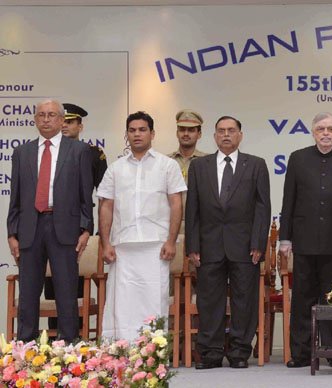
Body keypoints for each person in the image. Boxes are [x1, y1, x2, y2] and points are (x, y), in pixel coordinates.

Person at [279, 112, 332, 368]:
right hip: (304, 242)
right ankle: (301, 353)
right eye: (320, 129)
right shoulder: (298, 159)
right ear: (313, 132)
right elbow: (288, 200)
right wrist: (285, 238)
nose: (326, 133)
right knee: (303, 298)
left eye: (330, 129)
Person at [185, 116, 270, 369]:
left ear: (240, 135)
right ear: (214, 136)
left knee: (244, 300)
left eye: (231, 131)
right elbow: (193, 210)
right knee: (209, 300)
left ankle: (239, 352)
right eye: (221, 131)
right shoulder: (200, 166)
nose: (226, 135)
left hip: (245, 246)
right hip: (209, 244)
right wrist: (192, 245)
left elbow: (262, 207)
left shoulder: (256, 165)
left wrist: (258, 242)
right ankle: (210, 353)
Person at [7, 99, 93, 342]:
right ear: (35, 119)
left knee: (66, 290)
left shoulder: (78, 151)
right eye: (41, 115)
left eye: (52, 115)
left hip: (64, 227)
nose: (46, 119)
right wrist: (12, 233)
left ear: (61, 119)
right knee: (29, 291)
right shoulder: (22, 152)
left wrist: (86, 228)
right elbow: (16, 197)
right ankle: (26, 345)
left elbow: (85, 195)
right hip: (29, 228)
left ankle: (68, 345)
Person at [97, 111, 185, 341]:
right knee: (122, 303)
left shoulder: (167, 166)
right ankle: (121, 351)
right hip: (123, 247)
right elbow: (105, 206)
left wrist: (171, 240)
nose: (137, 134)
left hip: (156, 245)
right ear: (126, 135)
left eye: (142, 129)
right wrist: (105, 243)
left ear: (152, 134)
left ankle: (153, 353)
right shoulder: (115, 168)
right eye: (132, 130)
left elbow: (176, 204)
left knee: (154, 299)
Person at [61, 103, 107, 189]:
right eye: (61, 122)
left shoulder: (93, 153)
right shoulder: (49, 151)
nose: (64, 126)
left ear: (80, 127)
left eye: (69, 122)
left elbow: (103, 191)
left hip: (83, 202)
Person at [169, 109, 208, 182]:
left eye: (191, 130)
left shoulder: (208, 162)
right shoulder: (166, 161)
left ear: (199, 134)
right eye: (182, 130)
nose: (186, 134)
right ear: (177, 133)